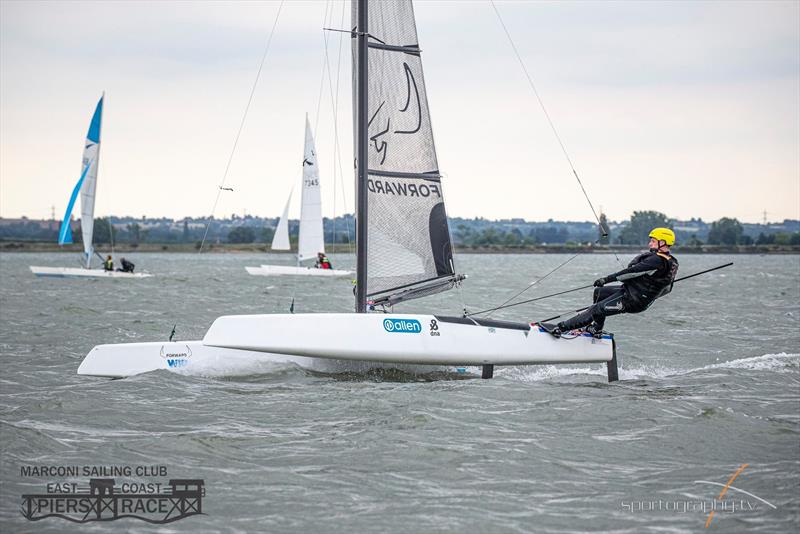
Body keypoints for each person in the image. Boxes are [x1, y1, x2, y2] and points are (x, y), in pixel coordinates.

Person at [545, 228, 679, 338]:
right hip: (632, 293)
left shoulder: (656, 261)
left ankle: (560, 328)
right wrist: (650, 296)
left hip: (631, 299)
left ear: (663, 242)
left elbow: (630, 273)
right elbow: (668, 288)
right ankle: (596, 329)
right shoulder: (672, 261)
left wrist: (605, 279)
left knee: (595, 310)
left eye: (653, 241)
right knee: (599, 293)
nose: (650, 244)